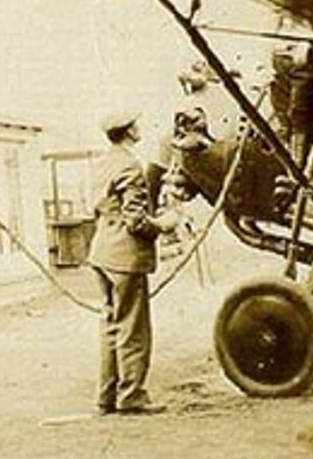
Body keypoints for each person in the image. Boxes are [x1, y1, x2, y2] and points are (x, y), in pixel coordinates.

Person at [88, 109, 178, 416]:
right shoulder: (130, 165)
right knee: (132, 329)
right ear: (129, 131)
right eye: (136, 124)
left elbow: (99, 209)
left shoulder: (102, 163)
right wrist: (165, 224)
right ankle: (132, 396)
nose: (140, 127)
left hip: (101, 252)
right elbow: (136, 221)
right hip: (125, 258)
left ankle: (106, 398)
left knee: (111, 326)